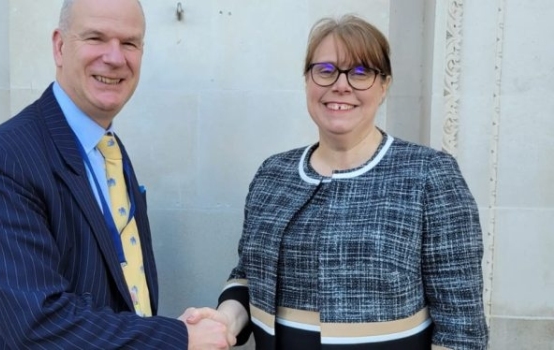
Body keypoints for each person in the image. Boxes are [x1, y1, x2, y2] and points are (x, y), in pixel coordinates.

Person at [185, 14, 489, 349]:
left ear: (384, 84)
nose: (340, 84)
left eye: (361, 72)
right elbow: (248, 274)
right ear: (308, 80)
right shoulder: (273, 173)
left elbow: (461, 328)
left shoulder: (429, 174)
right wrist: (225, 320)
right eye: (326, 70)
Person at [0, 0, 234, 348]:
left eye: (129, 43)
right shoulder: (1, 160)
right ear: (59, 46)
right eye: (96, 38)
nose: (114, 57)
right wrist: (178, 338)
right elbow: (39, 323)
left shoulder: (109, 150)